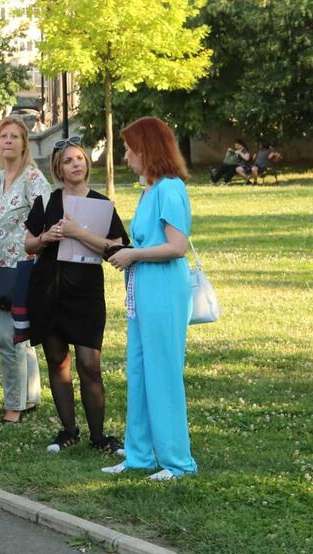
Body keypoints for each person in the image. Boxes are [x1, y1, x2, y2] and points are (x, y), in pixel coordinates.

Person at [103, 116, 197, 481]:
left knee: (163, 372)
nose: (126, 156)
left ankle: (177, 462)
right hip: (143, 288)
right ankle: (139, 455)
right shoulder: (150, 190)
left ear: (148, 150)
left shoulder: (170, 189)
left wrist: (133, 255)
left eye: (130, 149)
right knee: (140, 371)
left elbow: (176, 246)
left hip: (163, 288)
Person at [22, 138, 128, 455]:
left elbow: (117, 248)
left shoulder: (101, 204)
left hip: (85, 292)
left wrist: (79, 233)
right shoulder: (46, 201)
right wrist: (46, 236)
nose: (76, 164)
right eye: (68, 160)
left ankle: (99, 436)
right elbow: (28, 244)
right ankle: (68, 431)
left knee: (89, 364)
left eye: (80, 158)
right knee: (57, 362)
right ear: (59, 168)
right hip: (48, 290)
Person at [0, 116, 50, 424]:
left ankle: (14, 405)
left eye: (14, 136)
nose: (8, 141)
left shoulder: (32, 178)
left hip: (23, 268)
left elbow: (49, 216)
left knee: (10, 338)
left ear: (25, 144)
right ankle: (30, 395)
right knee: (19, 335)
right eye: (3, 136)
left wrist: (34, 247)